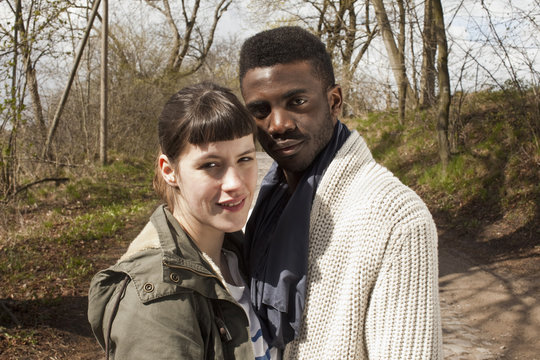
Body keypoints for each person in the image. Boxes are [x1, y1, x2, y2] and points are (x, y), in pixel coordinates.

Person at [239, 26, 442, 359]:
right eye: (261, 110)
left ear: (334, 101)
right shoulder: (256, 205)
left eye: (297, 102)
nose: (277, 124)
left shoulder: (396, 217)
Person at [88, 82, 279, 359]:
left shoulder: (239, 254)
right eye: (210, 165)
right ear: (170, 171)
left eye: (245, 158)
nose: (236, 183)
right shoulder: (158, 300)